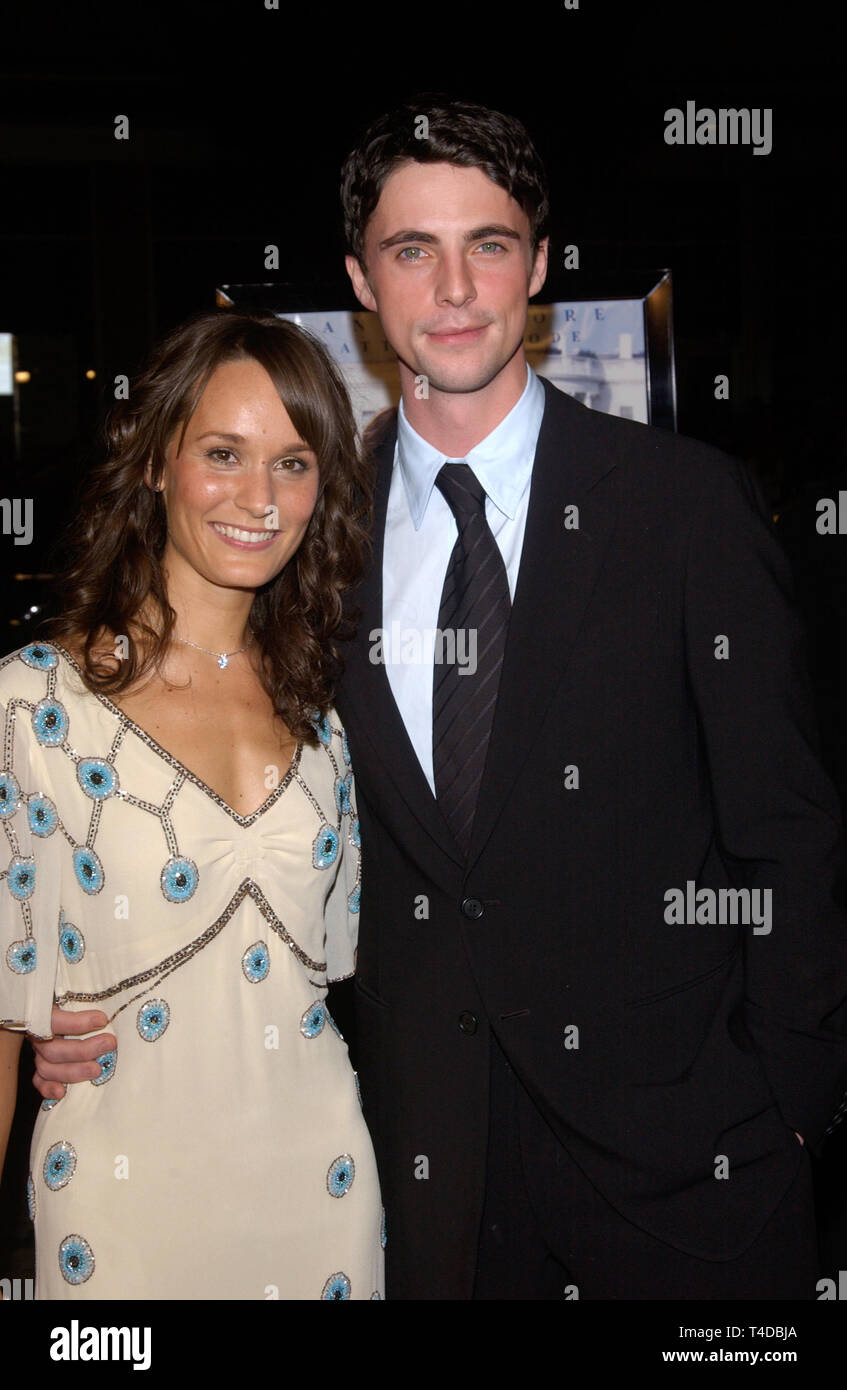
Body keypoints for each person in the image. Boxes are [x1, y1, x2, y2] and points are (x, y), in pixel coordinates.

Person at [34, 99, 847, 1300]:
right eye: (414, 250)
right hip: (428, 1189)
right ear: (363, 279)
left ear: (541, 264)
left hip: (693, 1175)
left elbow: (789, 833)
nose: (455, 286)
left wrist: (793, 1100)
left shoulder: (682, 508)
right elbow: (229, 800)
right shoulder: (312, 529)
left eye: (490, 243)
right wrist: (82, 994)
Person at [0, 310, 384, 1299]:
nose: (259, 498)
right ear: (158, 461)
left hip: (321, 1194)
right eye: (224, 453)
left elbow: (331, 987)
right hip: (121, 1215)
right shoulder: (36, 707)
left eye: (294, 464)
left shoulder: (324, 720)